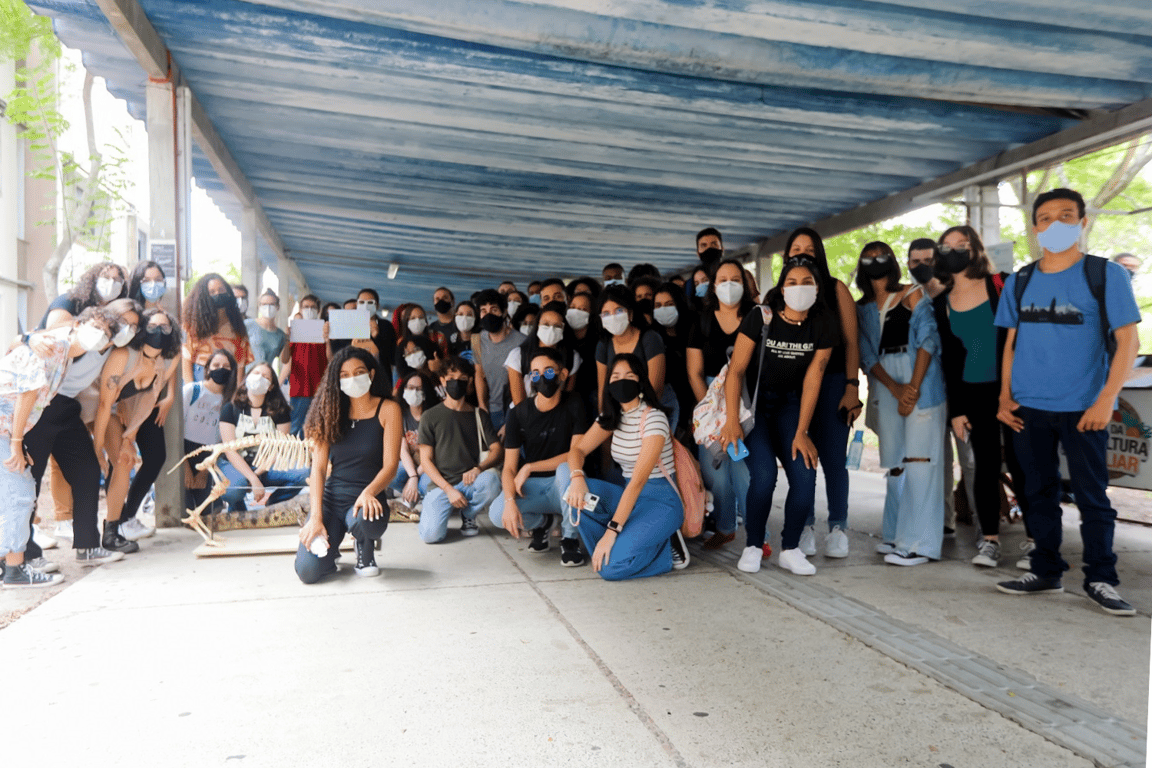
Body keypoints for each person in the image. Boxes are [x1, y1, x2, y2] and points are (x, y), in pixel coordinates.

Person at [994, 188, 1141, 616]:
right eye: (1045, 218)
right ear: (1035, 227)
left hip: (1084, 408)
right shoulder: (1020, 280)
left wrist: (1106, 399)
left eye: (1066, 215)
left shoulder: (1105, 274)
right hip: (1027, 408)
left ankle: (1101, 577)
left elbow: (1128, 340)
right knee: (1036, 493)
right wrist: (1004, 396)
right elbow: (1010, 344)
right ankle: (1045, 570)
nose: (1055, 224)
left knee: (1092, 496)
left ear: (1082, 222)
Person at [721, 258, 836, 576]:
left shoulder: (823, 322)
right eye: (793, 283)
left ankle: (791, 548)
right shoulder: (762, 317)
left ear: (817, 288)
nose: (800, 289)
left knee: (805, 471)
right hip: (756, 409)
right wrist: (732, 420)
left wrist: (802, 431)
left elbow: (814, 378)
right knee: (764, 475)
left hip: (790, 409)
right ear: (782, 289)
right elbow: (736, 371)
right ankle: (753, 545)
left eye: (807, 283)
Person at [1, 311, 126, 587]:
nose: (100, 335)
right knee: (19, 494)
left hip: (14, 423)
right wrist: (17, 442)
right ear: (78, 325)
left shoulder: (65, 354)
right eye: (97, 327)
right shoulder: (53, 344)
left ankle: (11, 567)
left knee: (17, 492)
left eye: (106, 333)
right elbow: (27, 391)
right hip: (8, 423)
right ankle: (15, 568)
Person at [933, 226, 1031, 568]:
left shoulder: (1002, 284)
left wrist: (1015, 391)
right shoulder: (940, 302)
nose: (955, 251)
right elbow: (949, 359)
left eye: (962, 244)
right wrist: (956, 411)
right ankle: (989, 540)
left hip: (1014, 391)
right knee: (983, 468)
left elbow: (1021, 339)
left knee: (1023, 465)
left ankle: (1037, 540)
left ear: (976, 248)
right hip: (973, 393)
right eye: (947, 247)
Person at [21, 299, 141, 566]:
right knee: (30, 481)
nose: (127, 329)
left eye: (134, 326)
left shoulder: (113, 352)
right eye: (123, 322)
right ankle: (24, 554)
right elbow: (23, 341)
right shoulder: (78, 337)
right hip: (39, 407)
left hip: (66, 409)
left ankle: (87, 546)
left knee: (88, 470)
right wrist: (28, 338)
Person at [856, 242, 946, 567]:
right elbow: (866, 355)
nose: (875, 261)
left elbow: (928, 338)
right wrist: (896, 389)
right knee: (896, 464)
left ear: (892, 261)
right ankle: (894, 534)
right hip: (885, 384)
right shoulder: (861, 307)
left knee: (921, 461)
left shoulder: (913, 293)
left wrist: (913, 387)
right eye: (869, 256)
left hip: (921, 379)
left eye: (881, 255)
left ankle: (919, 544)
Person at [561, 354, 688, 580]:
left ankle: (664, 551)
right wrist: (577, 478)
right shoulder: (612, 417)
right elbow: (577, 451)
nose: (621, 381)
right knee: (575, 499)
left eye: (629, 376)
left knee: (609, 570)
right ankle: (623, 543)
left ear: (640, 382)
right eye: (616, 376)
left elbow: (638, 482)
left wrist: (612, 531)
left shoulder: (654, 419)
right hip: (629, 498)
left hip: (661, 502)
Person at [783, 228, 861, 558]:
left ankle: (838, 527)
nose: (803, 253)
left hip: (831, 386)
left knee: (832, 460)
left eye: (810, 249)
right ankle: (805, 526)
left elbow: (852, 342)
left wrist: (851, 386)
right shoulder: (781, 292)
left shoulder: (836, 289)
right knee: (802, 459)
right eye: (796, 249)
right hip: (793, 390)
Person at [296, 347, 402, 582]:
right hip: (332, 499)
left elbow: (391, 466)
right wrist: (315, 517)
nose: (352, 379)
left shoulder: (389, 409)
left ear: (371, 375)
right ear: (336, 380)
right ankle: (330, 551)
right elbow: (319, 469)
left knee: (366, 520)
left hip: (367, 499)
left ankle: (365, 548)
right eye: (344, 375)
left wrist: (369, 492)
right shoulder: (328, 411)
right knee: (307, 572)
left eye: (359, 372)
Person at [91, 308, 181, 552]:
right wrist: (98, 448)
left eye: (165, 327)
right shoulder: (124, 355)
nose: (159, 332)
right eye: (152, 327)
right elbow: (103, 404)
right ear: (142, 329)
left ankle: (112, 532)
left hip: (121, 409)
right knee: (115, 458)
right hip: (93, 406)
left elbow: (146, 402)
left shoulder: (169, 360)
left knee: (125, 459)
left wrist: (129, 437)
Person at [491, 347, 589, 565]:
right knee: (497, 514)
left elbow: (575, 454)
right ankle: (543, 523)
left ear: (563, 374)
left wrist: (530, 467)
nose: (542, 377)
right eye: (535, 373)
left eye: (549, 371)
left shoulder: (575, 403)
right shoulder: (518, 413)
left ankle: (570, 540)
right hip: (535, 488)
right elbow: (508, 468)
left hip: (564, 486)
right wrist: (509, 501)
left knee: (566, 469)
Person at [687, 259, 755, 549]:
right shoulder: (700, 322)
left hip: (747, 402)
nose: (729, 285)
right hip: (711, 402)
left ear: (745, 283)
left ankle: (757, 534)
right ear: (713, 286)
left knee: (745, 473)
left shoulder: (756, 317)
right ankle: (726, 526)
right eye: (722, 279)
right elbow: (694, 372)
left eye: (735, 279)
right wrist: (711, 411)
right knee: (716, 473)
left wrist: (734, 413)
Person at [909, 238, 974, 537]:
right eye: (916, 262)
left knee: (971, 461)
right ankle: (945, 521)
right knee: (940, 462)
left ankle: (982, 524)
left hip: (964, 390)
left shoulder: (959, 294)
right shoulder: (911, 299)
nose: (923, 267)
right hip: (932, 392)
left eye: (929, 260)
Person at [416, 357, 503, 543]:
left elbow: (497, 449)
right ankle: (433, 510)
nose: (456, 382)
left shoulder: (479, 415)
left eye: (462, 378)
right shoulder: (430, 416)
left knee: (492, 480)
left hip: (469, 481)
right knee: (431, 536)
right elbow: (426, 460)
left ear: (470, 381)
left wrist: (479, 468)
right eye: (451, 377)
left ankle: (468, 513)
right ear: (442, 381)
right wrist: (448, 490)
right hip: (441, 485)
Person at [217, 362, 308, 511]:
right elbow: (229, 450)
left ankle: (274, 502)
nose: (259, 378)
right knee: (233, 491)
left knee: (306, 474)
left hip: (266, 466)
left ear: (271, 385)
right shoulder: (230, 408)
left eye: (265, 376)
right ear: (247, 379)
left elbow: (277, 449)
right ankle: (237, 505)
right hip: (234, 465)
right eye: (256, 373)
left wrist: (257, 475)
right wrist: (252, 478)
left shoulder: (281, 411)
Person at [595, 285, 676, 435]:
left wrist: (632, 421)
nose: (612, 317)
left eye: (618, 310)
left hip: (656, 407)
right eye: (606, 313)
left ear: (630, 313)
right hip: (621, 409)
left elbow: (655, 390)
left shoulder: (650, 338)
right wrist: (606, 419)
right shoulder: (603, 345)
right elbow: (603, 390)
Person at [183, 349, 236, 512]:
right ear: (207, 369)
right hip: (183, 452)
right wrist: (184, 467)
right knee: (183, 509)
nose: (221, 369)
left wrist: (205, 470)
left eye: (226, 366)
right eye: (216, 365)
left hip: (209, 456)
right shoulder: (192, 391)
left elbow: (222, 441)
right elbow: (174, 432)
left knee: (208, 511)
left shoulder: (230, 402)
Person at [505, 301, 580, 406]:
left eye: (557, 326)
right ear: (537, 326)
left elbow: (567, 397)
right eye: (546, 324)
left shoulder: (572, 357)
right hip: (523, 417)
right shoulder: (518, 355)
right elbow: (519, 403)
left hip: (556, 417)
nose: (551, 329)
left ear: (563, 329)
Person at [182, 273, 253, 382]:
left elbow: (240, 362)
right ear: (204, 296)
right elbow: (186, 358)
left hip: (229, 375)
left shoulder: (237, 324)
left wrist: (236, 394)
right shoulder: (193, 324)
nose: (218, 294)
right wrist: (190, 389)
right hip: (201, 376)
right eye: (212, 292)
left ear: (228, 292)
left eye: (221, 290)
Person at [473, 289, 526, 433]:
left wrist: (513, 418)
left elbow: (527, 382)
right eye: (483, 310)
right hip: (491, 411)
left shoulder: (521, 342)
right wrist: (482, 405)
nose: (488, 314)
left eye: (494, 309)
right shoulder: (478, 340)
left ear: (504, 312)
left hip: (515, 409)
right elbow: (479, 374)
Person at [281, 294, 329, 437]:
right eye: (306, 307)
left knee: (315, 429)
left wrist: (327, 340)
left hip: (319, 389)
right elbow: (284, 359)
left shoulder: (323, 331)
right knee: (295, 427)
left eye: (313, 307)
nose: (309, 310)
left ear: (318, 310)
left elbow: (330, 359)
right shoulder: (295, 332)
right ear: (300, 310)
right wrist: (287, 339)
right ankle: (292, 457)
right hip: (299, 388)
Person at [652, 281, 695, 435]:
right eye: (658, 305)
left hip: (694, 406)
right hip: (667, 409)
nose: (663, 309)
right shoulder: (652, 338)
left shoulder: (694, 331)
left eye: (669, 304)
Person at [392, 370, 441, 506]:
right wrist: (412, 476)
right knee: (391, 472)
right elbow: (403, 450)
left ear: (426, 392)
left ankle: (416, 493)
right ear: (404, 390)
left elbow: (433, 455)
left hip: (430, 465)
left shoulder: (434, 415)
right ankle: (411, 493)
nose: (414, 392)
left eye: (419, 389)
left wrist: (415, 477)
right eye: (410, 388)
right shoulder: (400, 414)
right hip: (411, 464)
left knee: (426, 485)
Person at [37, 261, 128, 330]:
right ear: (94, 278)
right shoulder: (68, 300)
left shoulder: (117, 312)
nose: (111, 283)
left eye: (117, 280)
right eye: (106, 277)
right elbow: (53, 330)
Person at [358, 288, 396, 389]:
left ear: (377, 305)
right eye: (361, 302)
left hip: (381, 380)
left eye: (370, 302)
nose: (365, 305)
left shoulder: (385, 326)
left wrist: (377, 337)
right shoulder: (351, 326)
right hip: (357, 379)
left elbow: (392, 358)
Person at [245, 290, 287, 370]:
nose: (268, 307)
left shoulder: (280, 335)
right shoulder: (248, 325)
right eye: (264, 304)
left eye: (272, 304)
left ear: (277, 307)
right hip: (247, 375)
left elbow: (285, 360)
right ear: (259, 306)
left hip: (266, 376)